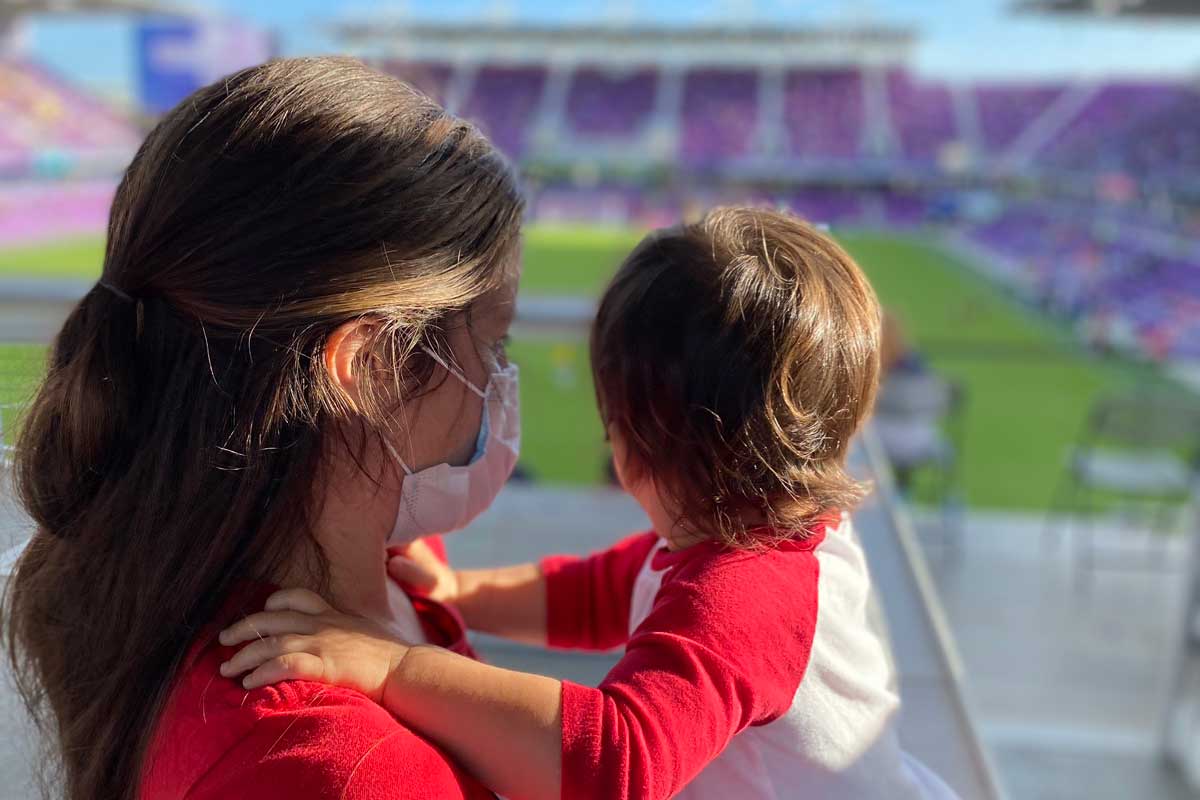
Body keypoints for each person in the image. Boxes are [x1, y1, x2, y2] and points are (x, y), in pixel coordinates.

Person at [220, 208, 960, 800]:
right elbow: (602, 593)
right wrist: (461, 596)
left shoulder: (748, 591)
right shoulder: (745, 539)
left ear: (634, 441)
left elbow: (618, 765)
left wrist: (390, 666)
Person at [2, 57, 525, 800]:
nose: (501, 380)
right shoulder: (337, 769)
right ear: (370, 366)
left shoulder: (339, 577)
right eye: (494, 342)